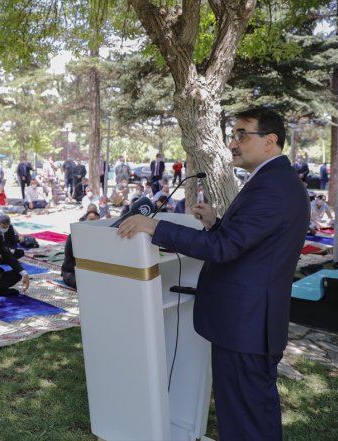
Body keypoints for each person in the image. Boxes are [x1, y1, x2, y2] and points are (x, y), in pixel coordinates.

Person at [117, 107, 309, 441]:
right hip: (249, 323)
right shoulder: (274, 181)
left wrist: (155, 226)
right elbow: (252, 245)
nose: (233, 143)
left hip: (247, 325)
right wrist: (215, 224)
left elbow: (224, 249)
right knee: (251, 415)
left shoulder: (272, 187)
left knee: (246, 420)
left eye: (241, 134)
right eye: (232, 134)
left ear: (270, 141)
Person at [62, 211, 100, 289]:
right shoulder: (73, 236)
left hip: (88, 271)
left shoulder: (97, 237)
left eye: (97, 221)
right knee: (85, 284)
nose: (94, 223)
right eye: (91, 220)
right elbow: (72, 263)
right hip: (72, 272)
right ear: (85, 220)